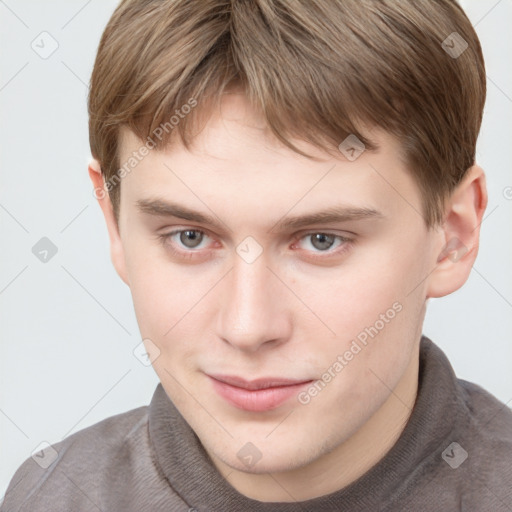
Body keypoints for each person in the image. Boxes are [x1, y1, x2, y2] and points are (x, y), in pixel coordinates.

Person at [2, 0, 511, 510]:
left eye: (321, 241)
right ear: (115, 223)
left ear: (453, 235)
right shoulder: (50, 497)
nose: (247, 327)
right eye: (190, 237)